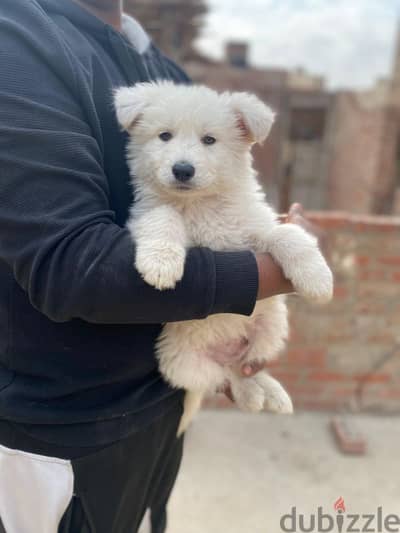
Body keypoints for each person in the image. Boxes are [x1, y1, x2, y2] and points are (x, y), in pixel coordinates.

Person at [0, 0, 313, 531]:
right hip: (65, 428)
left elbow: (222, 196)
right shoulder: (17, 42)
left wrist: (274, 242)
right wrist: (272, 271)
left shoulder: (160, 66)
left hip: (163, 405)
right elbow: (74, 267)